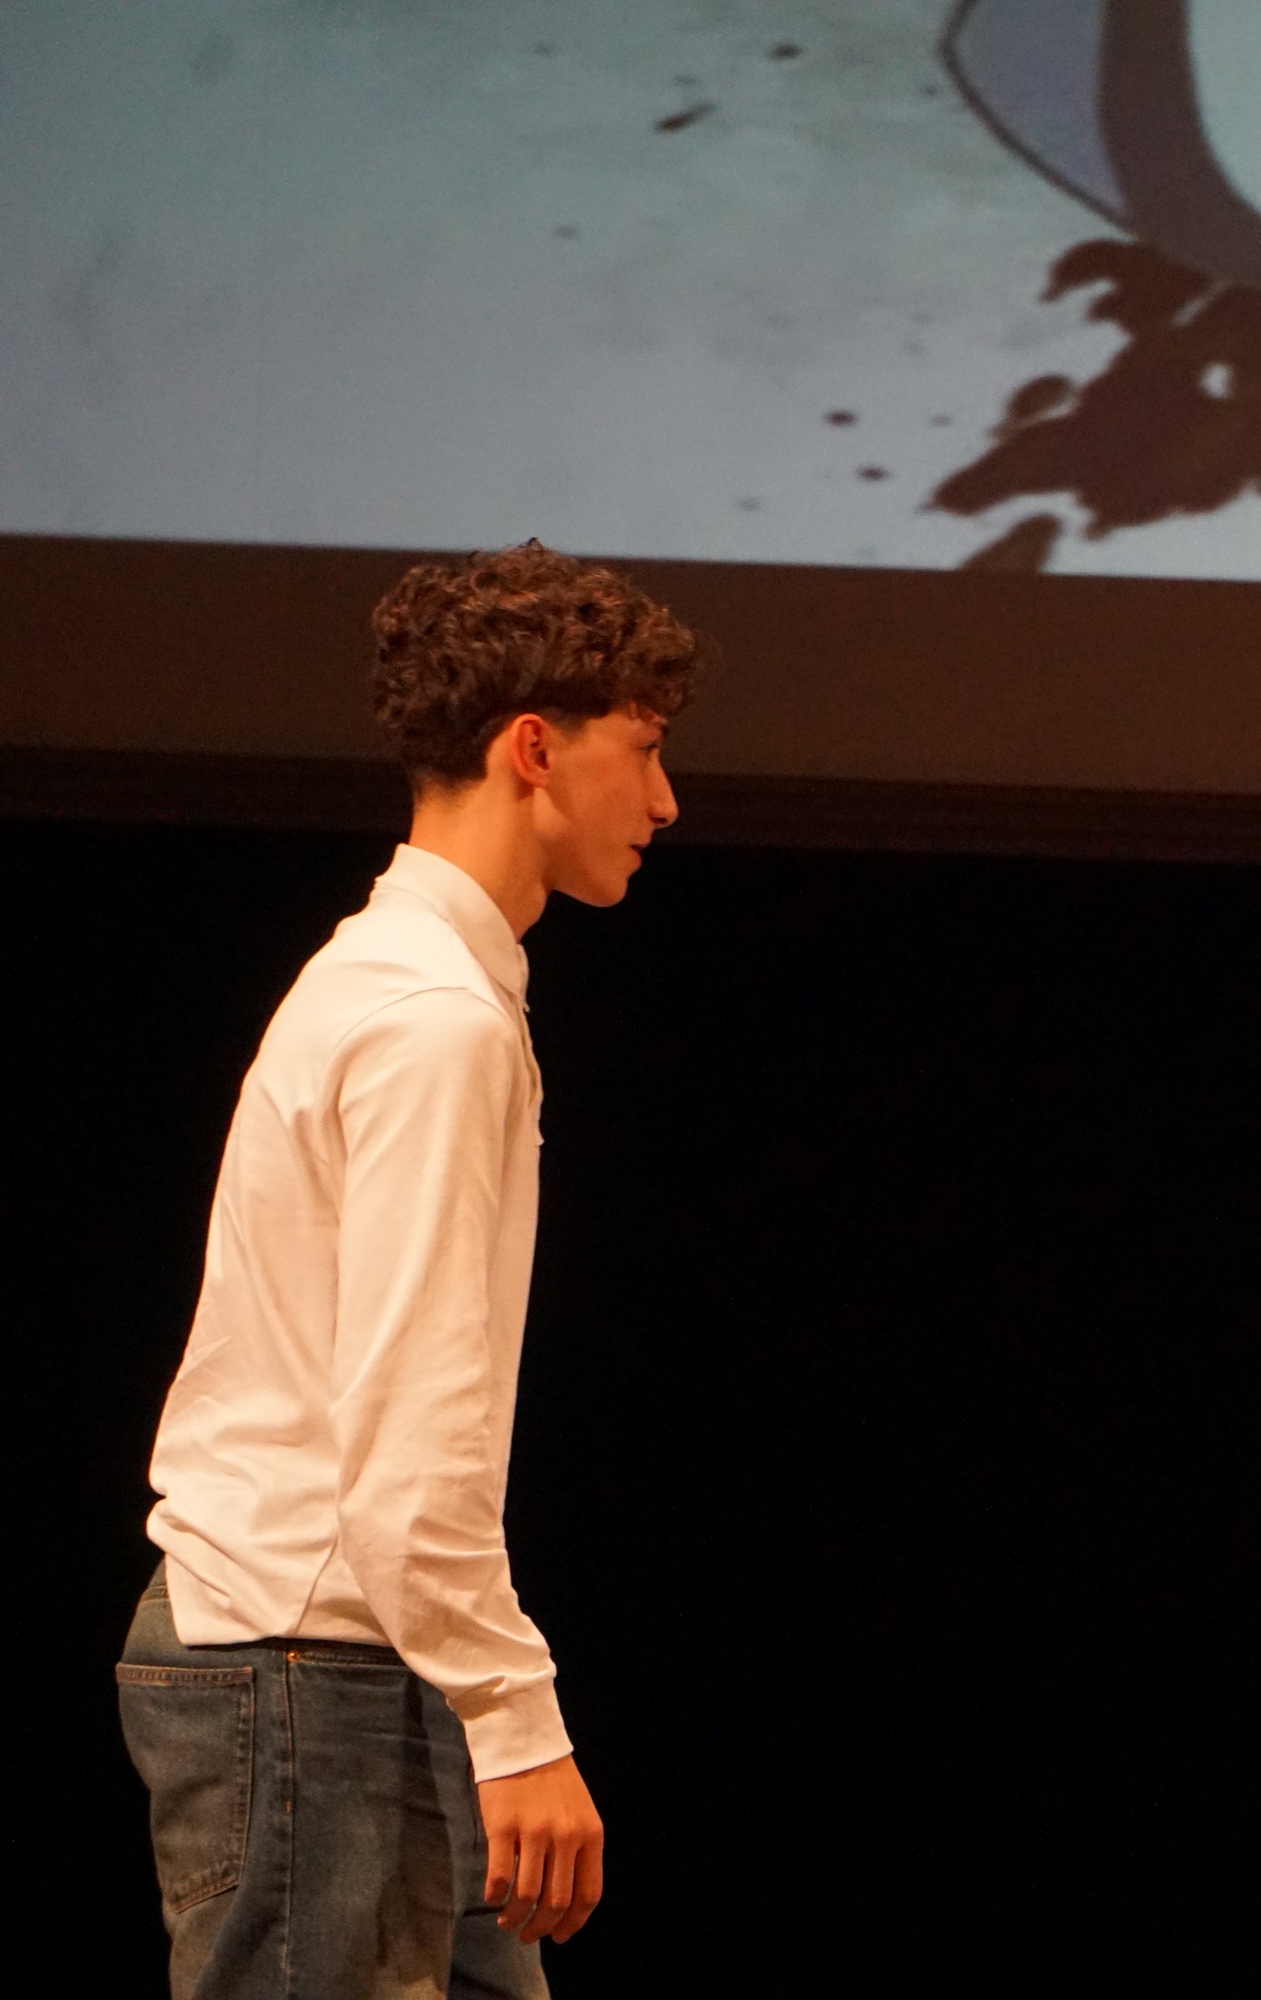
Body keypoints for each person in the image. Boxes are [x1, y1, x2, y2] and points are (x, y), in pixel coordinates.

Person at [119, 542, 699, 1998]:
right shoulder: (429, 1018)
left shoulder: (419, 986)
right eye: (643, 750)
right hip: (309, 1659)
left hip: (359, 1653)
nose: (665, 802)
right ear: (534, 749)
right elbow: (405, 1437)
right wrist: (518, 1716)